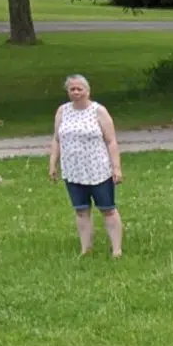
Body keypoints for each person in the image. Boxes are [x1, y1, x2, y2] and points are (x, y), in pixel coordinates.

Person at [45, 75, 123, 257]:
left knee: (107, 209)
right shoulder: (62, 111)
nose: (76, 92)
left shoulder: (98, 111)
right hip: (73, 170)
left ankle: (117, 249)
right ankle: (85, 249)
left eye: (79, 89)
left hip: (98, 169)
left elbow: (111, 141)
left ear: (88, 91)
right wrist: (52, 164)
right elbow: (57, 139)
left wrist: (116, 167)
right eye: (72, 89)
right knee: (81, 210)